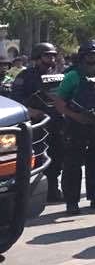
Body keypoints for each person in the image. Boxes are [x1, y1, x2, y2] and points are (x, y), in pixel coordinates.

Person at [50, 40, 95, 214]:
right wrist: (76, 117)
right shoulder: (73, 75)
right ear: (82, 56)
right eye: (89, 54)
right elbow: (59, 102)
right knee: (73, 166)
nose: (92, 57)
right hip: (77, 127)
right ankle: (72, 202)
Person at [10, 42, 65, 201]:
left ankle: (53, 190)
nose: (52, 58)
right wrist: (32, 112)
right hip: (36, 125)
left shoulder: (60, 74)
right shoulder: (25, 76)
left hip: (57, 123)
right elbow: (16, 100)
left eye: (54, 55)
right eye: (47, 55)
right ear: (37, 58)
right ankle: (33, 194)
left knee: (56, 157)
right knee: (37, 159)